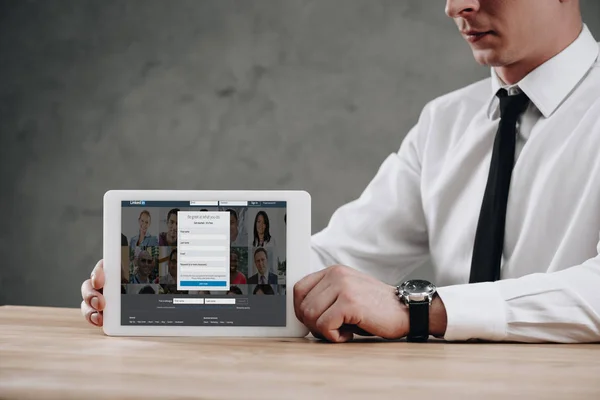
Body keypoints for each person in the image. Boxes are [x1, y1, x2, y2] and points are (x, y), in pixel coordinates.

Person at [81, 0, 600, 344]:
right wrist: (171, 275)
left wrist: (422, 310)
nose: (455, 5)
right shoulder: (446, 121)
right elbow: (337, 259)